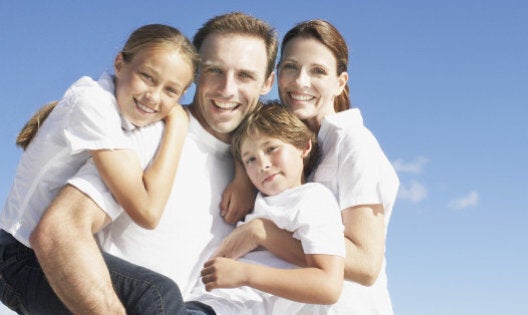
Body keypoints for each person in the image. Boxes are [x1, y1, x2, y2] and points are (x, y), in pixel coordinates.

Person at [17, 12, 278, 314]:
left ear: (267, 82)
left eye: (245, 76)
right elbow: (60, 232)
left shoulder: (259, 166)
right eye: (214, 71)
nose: (227, 89)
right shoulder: (151, 135)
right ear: (195, 74)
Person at [0, 23, 197, 314]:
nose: (153, 97)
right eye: (147, 77)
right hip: (17, 259)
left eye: (170, 90)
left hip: (42, 254)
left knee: (157, 295)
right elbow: (146, 210)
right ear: (120, 63)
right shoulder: (92, 103)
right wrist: (178, 125)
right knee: (155, 294)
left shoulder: (123, 122)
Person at [214, 19, 400, 314]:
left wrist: (262, 233)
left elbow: (366, 265)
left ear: (339, 83)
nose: (300, 81)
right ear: (277, 75)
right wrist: (240, 174)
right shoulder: (289, 144)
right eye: (290, 67)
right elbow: (247, 128)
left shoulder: (353, 143)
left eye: (318, 71)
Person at [186, 102, 345, 314]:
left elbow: (329, 286)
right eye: (250, 159)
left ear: (304, 146)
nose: (262, 164)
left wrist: (244, 273)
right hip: (199, 302)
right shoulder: (259, 201)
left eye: (271, 149)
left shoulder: (312, 198)